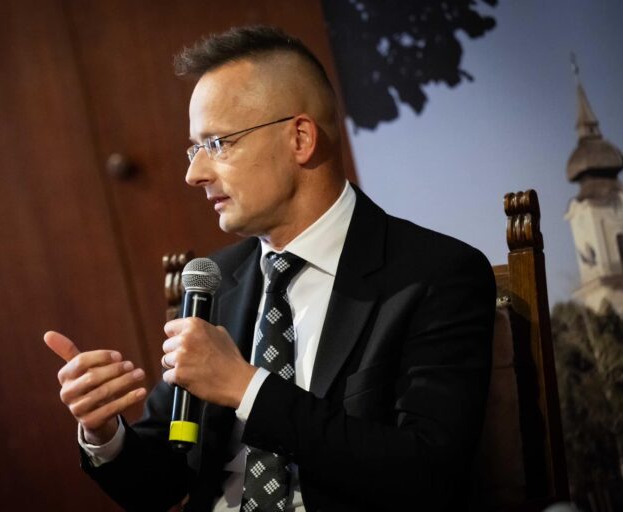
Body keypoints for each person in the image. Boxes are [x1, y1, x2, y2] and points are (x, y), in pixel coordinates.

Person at [44, 25, 495, 512]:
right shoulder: (216, 280)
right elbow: (161, 484)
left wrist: (246, 388)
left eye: (218, 143)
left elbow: (427, 475)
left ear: (300, 138)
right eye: (194, 149)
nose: (194, 174)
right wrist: (104, 432)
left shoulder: (435, 275)